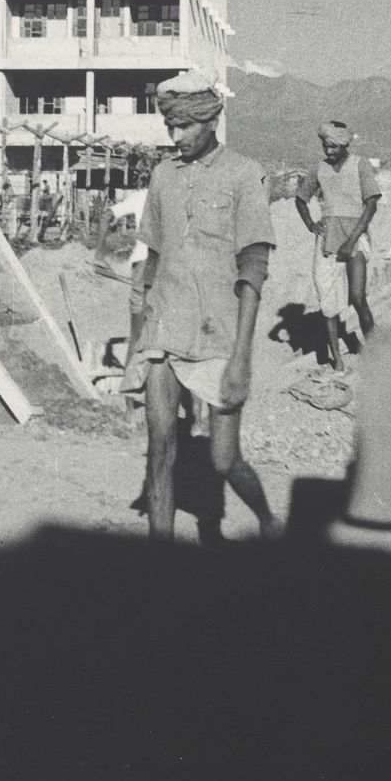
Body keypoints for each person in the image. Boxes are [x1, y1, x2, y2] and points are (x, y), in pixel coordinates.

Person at [120, 69, 281, 543]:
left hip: (219, 335)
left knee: (223, 459)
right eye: (170, 126)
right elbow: (150, 259)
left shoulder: (244, 175)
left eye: (185, 126)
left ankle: (269, 521)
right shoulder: (162, 176)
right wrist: (135, 344)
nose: (176, 136)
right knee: (160, 449)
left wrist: (241, 359)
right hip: (165, 329)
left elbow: (253, 268)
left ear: (211, 121)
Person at [295, 121, 379, 371]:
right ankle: (338, 362)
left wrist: (351, 242)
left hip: (355, 237)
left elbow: (371, 205)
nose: (328, 151)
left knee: (357, 298)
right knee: (328, 304)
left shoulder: (360, 166)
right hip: (328, 239)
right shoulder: (319, 169)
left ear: (344, 145)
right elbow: (300, 199)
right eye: (325, 145)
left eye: (333, 146)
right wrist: (311, 223)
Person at [107, 161, 153, 346]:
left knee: (138, 310)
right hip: (163, 260)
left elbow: (110, 214)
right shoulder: (174, 197)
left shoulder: (140, 196)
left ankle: (137, 350)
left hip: (142, 259)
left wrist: (100, 252)